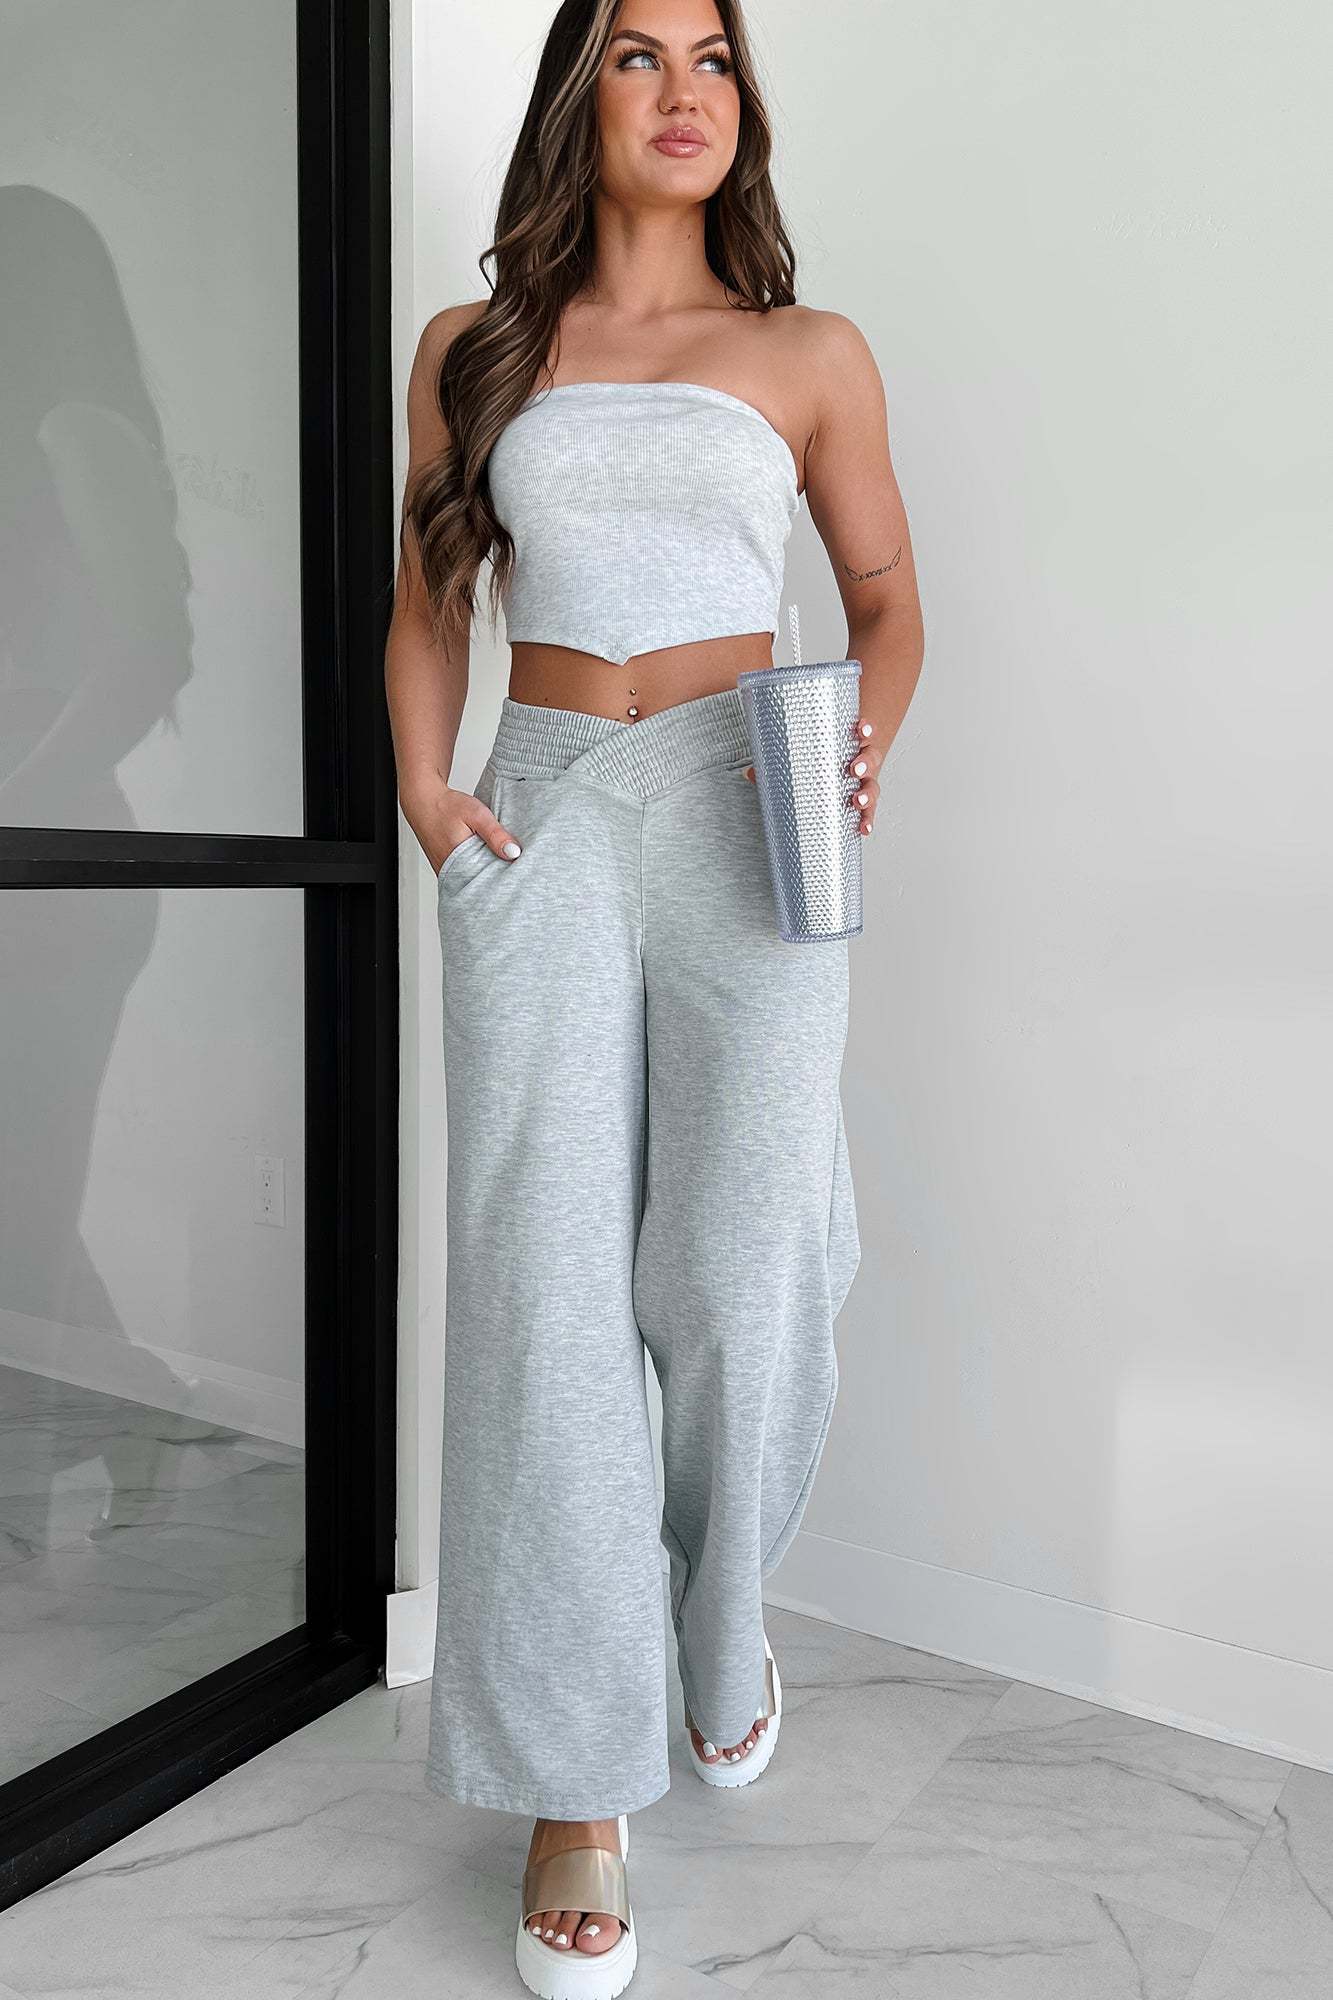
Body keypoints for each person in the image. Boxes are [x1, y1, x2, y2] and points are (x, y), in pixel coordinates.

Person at [383, 2, 924, 1992]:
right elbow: (429, 603)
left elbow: (885, 598)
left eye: (711, 57)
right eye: (635, 55)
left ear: (741, 107)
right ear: (576, 97)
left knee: (747, 1254)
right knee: (539, 1287)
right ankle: (576, 1780)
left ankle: (714, 1611)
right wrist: (431, 800)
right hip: (538, 806)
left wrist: (861, 738)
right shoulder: (475, 349)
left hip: (747, 804)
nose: (683, 89)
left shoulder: (808, 353)